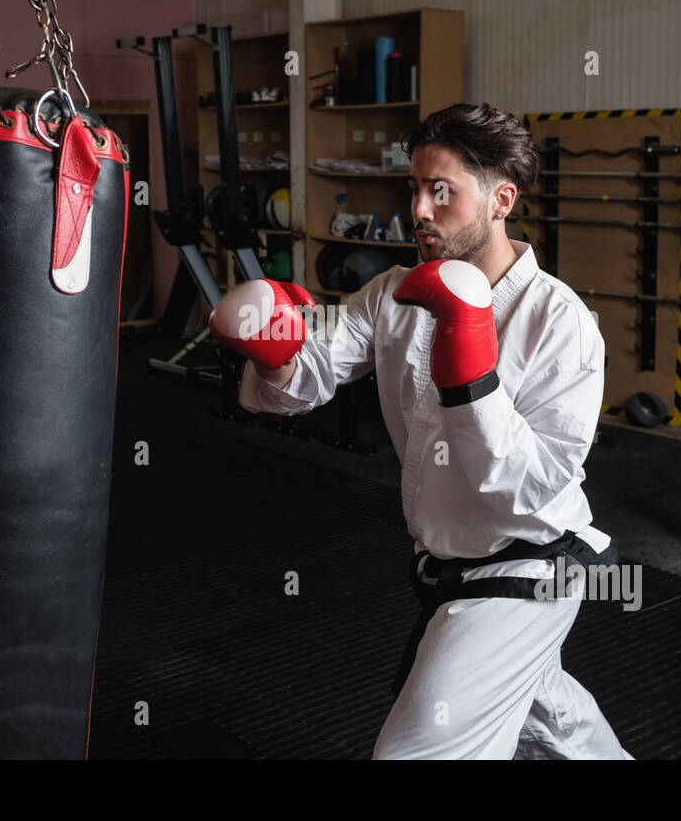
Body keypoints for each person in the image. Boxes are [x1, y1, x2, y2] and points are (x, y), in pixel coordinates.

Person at [209, 102, 632, 760]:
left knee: (418, 752)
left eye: (442, 192)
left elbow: (534, 485)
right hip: (441, 566)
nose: (420, 211)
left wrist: (472, 384)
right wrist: (277, 349)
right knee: (546, 716)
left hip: (527, 570)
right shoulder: (392, 293)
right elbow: (306, 379)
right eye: (414, 189)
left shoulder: (561, 323)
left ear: (501, 200)